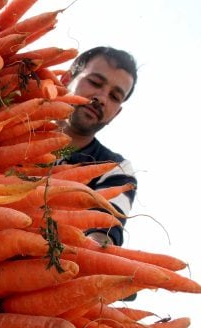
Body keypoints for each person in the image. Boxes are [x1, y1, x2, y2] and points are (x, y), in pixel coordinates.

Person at [57, 46, 139, 247]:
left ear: (116, 114)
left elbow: (104, 231)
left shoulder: (115, 168)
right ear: (66, 80)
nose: (101, 98)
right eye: (94, 82)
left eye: (114, 97)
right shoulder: (13, 124)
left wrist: (98, 244)